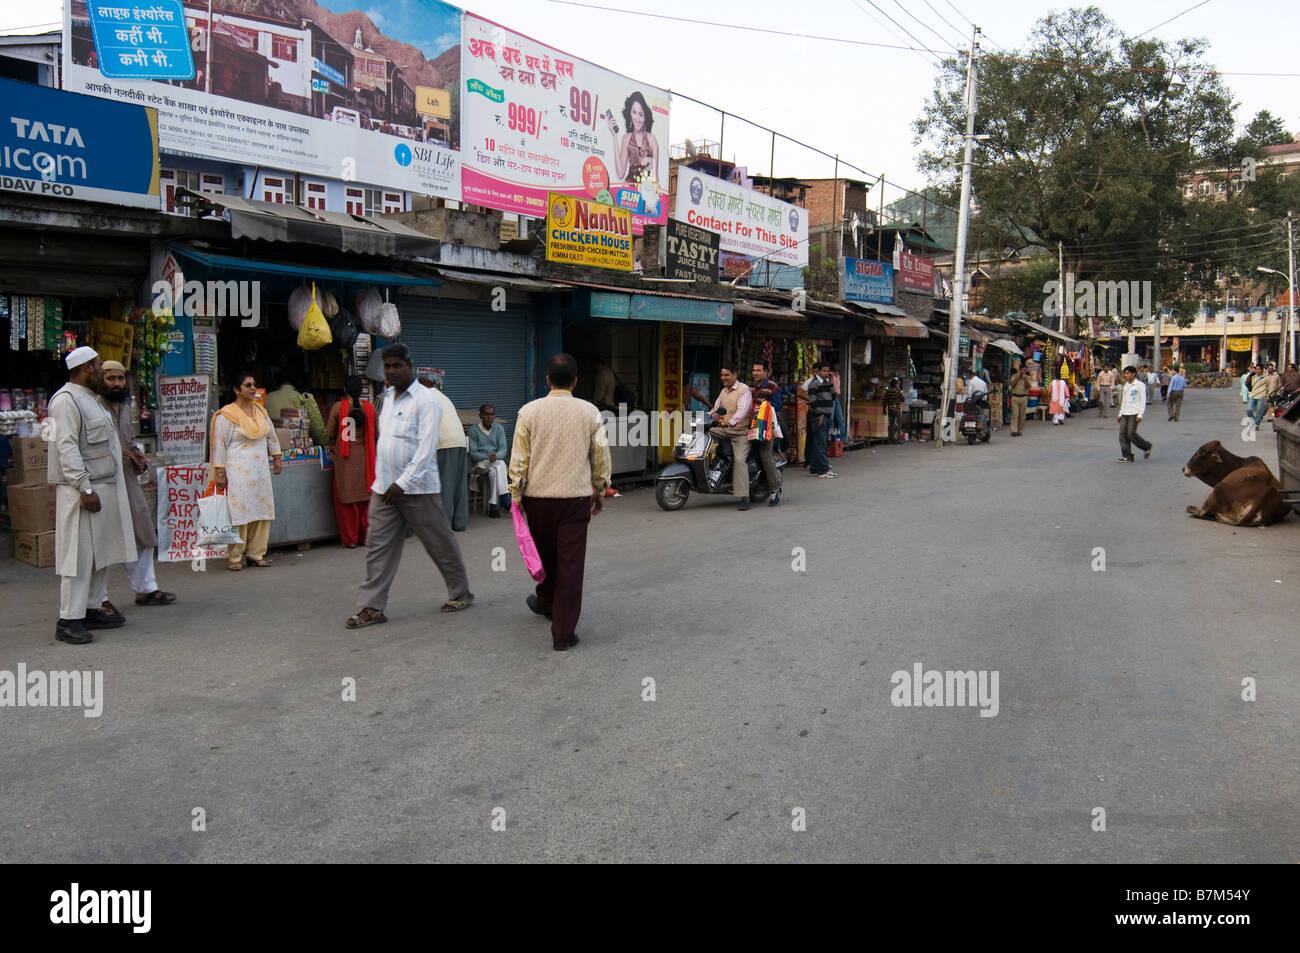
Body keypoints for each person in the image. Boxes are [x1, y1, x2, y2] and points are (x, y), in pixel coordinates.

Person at [347, 344, 473, 628]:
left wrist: (403, 482)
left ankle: (460, 591)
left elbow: (426, 448)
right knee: (377, 547)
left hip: (418, 489)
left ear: (410, 367)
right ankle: (372, 607)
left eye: (396, 366)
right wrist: (382, 482)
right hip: (384, 489)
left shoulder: (426, 400)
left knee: (438, 542)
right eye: (387, 366)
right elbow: (387, 441)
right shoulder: (387, 398)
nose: (391, 371)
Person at [509, 353, 612, 651]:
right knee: (570, 564)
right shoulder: (590, 412)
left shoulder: (528, 412)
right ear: (576, 381)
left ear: (547, 380)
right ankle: (562, 631)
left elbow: (519, 459)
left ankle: (547, 600)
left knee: (546, 556)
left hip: (537, 500)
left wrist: (515, 495)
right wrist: (600, 487)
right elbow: (601, 456)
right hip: (574, 499)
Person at [48, 347, 137, 644]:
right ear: (86, 367)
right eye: (98, 365)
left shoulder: (92, 399)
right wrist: (83, 487)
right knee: (79, 556)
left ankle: (91, 607)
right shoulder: (66, 400)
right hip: (83, 491)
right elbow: (67, 447)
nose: (101, 369)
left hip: (105, 485)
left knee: (102, 553)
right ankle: (69, 619)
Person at [93, 360, 175, 610]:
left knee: (143, 532)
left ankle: (146, 590)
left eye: (120, 378)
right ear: (100, 379)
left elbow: (129, 440)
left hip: (127, 479)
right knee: (102, 539)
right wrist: (122, 452)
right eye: (110, 378)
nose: (116, 383)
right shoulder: (93, 407)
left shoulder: (125, 406)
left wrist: (137, 454)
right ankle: (99, 599)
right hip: (101, 480)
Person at [212, 371, 283, 570]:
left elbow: (271, 436)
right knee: (240, 513)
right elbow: (219, 444)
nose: (253, 388)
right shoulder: (227, 415)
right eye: (247, 385)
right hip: (238, 473)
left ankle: (256, 554)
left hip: (260, 471)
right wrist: (219, 472)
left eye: (253, 385)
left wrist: (277, 457)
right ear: (236, 390)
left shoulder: (260, 412)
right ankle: (235, 557)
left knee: (261, 512)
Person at [324, 375, 375, 548]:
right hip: (366, 457)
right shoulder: (369, 408)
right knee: (364, 499)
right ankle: (364, 537)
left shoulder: (339, 407)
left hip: (345, 459)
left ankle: (350, 539)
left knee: (346, 500)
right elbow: (377, 432)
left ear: (345, 390)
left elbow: (329, 432)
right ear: (361, 390)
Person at [417, 376, 470, 532]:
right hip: (460, 441)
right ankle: (460, 523)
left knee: (445, 485)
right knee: (459, 484)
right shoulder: (443, 397)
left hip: (445, 443)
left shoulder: (424, 397)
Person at [709, 362, 754, 507]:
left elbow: (742, 411)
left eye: (727, 375)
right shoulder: (724, 391)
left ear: (735, 375)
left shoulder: (744, 390)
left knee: (740, 460)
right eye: (722, 375)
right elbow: (715, 410)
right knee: (703, 432)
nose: (723, 378)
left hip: (740, 432)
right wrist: (703, 418)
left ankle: (744, 497)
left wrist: (732, 422)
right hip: (724, 430)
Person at [750, 360, 784, 507]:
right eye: (754, 370)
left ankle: (776, 487)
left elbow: (778, 406)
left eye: (758, 370)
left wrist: (763, 407)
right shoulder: (751, 388)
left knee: (765, 454)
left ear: (766, 372)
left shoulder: (773, 387)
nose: (755, 373)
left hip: (766, 428)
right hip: (751, 426)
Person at [468, 403, 510, 518]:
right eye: (486, 414)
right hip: (480, 464)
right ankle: (505, 497)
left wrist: (496, 456)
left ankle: (492, 506)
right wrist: (488, 457)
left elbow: (503, 448)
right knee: (500, 465)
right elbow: (474, 453)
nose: (489, 417)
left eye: (492, 414)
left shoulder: (499, 428)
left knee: (495, 471)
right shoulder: (473, 430)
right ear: (480, 416)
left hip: (495, 462)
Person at [264, 369, 326, 446]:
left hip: (271, 447)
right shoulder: (303, 399)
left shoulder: (266, 398)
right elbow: (317, 432)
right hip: (297, 448)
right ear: (297, 382)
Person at [611, 90, 659, 185]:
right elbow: (620, 173)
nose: (637, 118)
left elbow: (655, 177)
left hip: (646, 192)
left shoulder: (652, 139)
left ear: (645, 117)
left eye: (640, 114)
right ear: (630, 113)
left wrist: (658, 196)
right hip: (629, 193)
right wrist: (615, 137)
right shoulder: (626, 138)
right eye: (634, 112)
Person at [803, 362, 836, 477]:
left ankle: (815, 467)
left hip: (826, 415)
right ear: (818, 371)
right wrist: (820, 414)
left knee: (819, 442)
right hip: (819, 416)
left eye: (828, 371)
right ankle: (823, 469)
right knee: (821, 443)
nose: (826, 373)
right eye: (824, 371)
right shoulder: (814, 384)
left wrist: (832, 384)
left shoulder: (827, 383)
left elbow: (833, 397)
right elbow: (812, 401)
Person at [1117, 365, 1153, 463]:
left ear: (1133, 374)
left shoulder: (1140, 385)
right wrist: (1120, 414)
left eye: (1128, 373)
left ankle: (1146, 446)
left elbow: (1143, 400)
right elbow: (1123, 400)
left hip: (1134, 412)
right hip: (1125, 412)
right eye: (1125, 373)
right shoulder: (1126, 385)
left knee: (1131, 433)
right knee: (1122, 434)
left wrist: (1140, 415)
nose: (1126, 375)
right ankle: (1127, 455)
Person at [1007, 363, 1030, 436]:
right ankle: (1014, 430)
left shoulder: (1027, 377)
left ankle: (1020, 430)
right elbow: (1012, 384)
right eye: (1021, 370)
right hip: (1015, 397)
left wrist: (1024, 378)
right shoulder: (1014, 376)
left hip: (1023, 397)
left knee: (1022, 415)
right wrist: (1018, 377)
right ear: (1019, 370)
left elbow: (1028, 386)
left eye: (1024, 370)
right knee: (1015, 414)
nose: (1023, 372)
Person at [882, 376, 905, 443]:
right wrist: (899, 390)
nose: (898, 385)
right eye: (898, 384)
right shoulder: (897, 391)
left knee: (891, 425)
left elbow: (884, 401)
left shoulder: (887, 392)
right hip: (897, 410)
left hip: (890, 409)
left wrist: (884, 410)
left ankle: (890, 439)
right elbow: (903, 399)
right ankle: (897, 439)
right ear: (895, 384)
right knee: (898, 425)